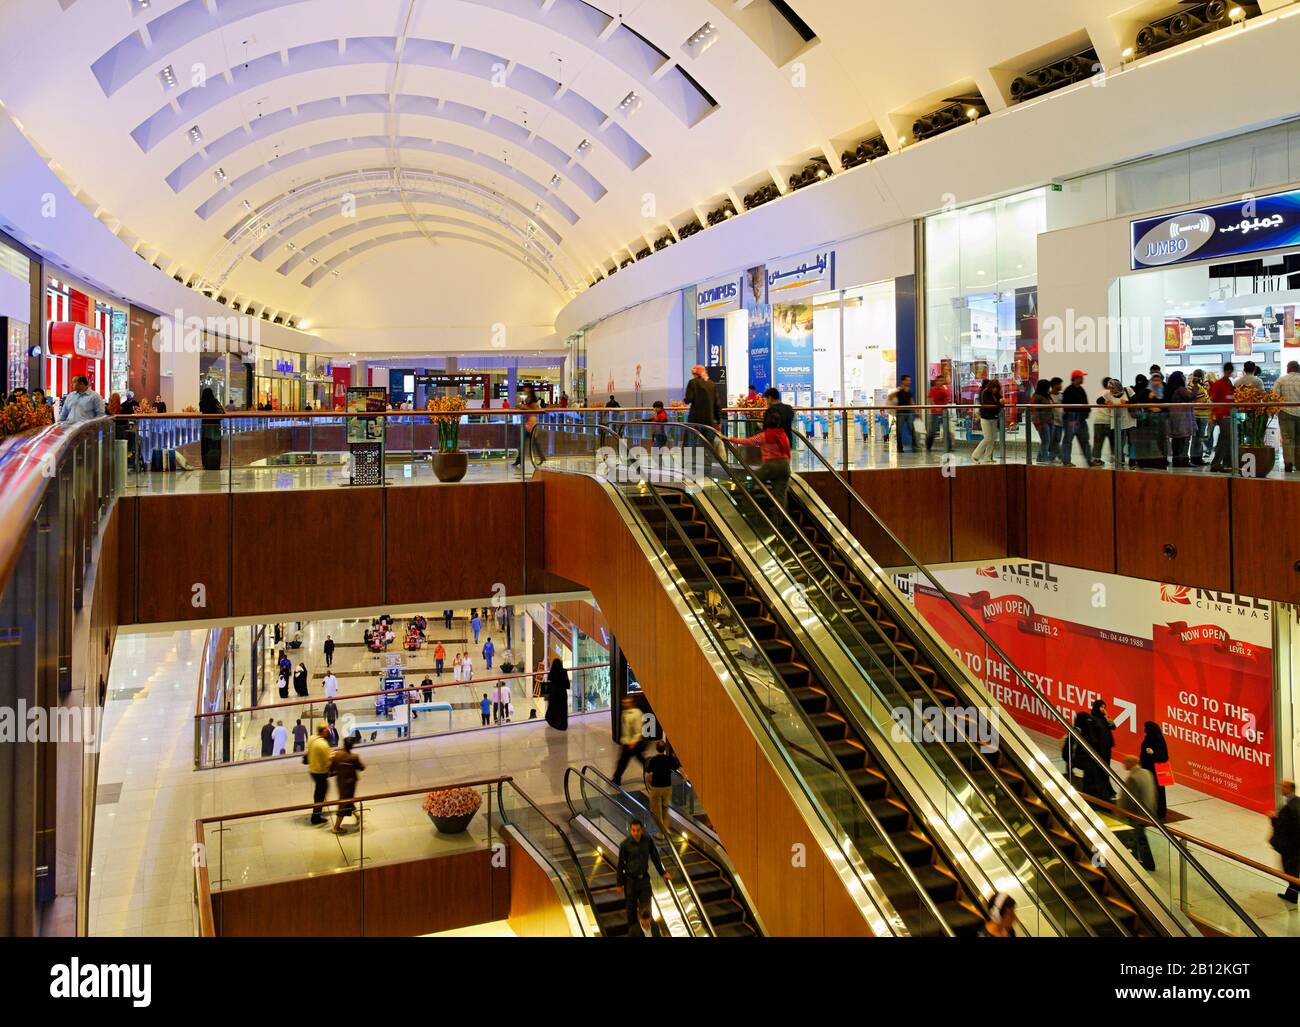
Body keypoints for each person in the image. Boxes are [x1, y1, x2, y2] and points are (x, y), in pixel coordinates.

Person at [724, 407, 792, 508]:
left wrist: (729, 438)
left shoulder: (764, 436)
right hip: (785, 466)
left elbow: (747, 441)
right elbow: (788, 450)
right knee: (780, 497)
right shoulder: (783, 435)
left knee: (752, 481)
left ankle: (746, 506)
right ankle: (778, 521)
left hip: (770, 466)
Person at [616, 818, 668, 937]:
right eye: (633, 830)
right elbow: (620, 864)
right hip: (630, 882)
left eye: (638, 830)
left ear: (642, 830)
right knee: (631, 911)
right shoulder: (625, 845)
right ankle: (634, 934)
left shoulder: (648, 840)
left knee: (647, 909)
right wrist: (619, 883)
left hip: (644, 880)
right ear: (630, 830)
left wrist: (663, 872)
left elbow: (655, 857)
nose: (636, 833)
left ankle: (650, 933)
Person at [1119, 755, 1157, 871]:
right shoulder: (1147, 773)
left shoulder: (1133, 778)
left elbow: (1130, 800)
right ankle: (1148, 863)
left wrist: (1123, 814)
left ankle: (1136, 864)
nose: (1123, 765)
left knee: (1134, 839)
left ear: (1130, 763)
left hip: (1136, 815)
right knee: (1141, 838)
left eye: (1125, 763)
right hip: (1148, 812)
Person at [1270, 780, 1300, 903]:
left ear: (1289, 789)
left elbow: (1283, 827)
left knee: (1290, 871)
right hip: (1295, 845)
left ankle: (1293, 894)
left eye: (1283, 786)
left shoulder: (1290, 807)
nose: (1280, 787)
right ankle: (1291, 894)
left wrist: (1273, 819)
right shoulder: (1297, 801)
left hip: (1291, 846)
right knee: (1292, 871)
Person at [329, 736, 365, 834]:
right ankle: (336, 827)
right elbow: (361, 767)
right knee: (344, 803)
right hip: (350, 783)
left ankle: (357, 817)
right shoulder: (354, 757)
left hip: (341, 782)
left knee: (347, 801)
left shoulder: (337, 755)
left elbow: (331, 769)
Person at [613, 696, 649, 785]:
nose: (624, 704)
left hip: (633, 743)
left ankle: (616, 779)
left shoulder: (637, 714)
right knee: (640, 759)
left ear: (632, 703)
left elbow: (638, 730)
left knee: (623, 761)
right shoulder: (625, 712)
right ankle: (652, 771)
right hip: (628, 742)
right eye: (624, 703)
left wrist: (633, 742)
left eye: (627, 703)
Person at [645, 741, 680, 830]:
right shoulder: (669, 759)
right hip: (667, 788)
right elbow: (679, 768)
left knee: (656, 811)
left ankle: (661, 832)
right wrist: (686, 777)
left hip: (656, 788)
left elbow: (647, 775)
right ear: (664, 749)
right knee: (665, 809)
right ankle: (666, 827)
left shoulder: (653, 760)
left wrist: (650, 782)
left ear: (656, 749)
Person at [1059, 370, 1092, 467]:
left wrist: (1086, 413)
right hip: (1072, 419)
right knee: (1068, 440)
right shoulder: (1069, 390)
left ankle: (1089, 459)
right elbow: (1067, 406)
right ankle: (1066, 461)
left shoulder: (1080, 389)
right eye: (1081, 377)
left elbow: (1085, 403)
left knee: (1085, 440)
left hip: (1080, 419)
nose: (1083, 379)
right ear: (1076, 378)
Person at [1208, 362, 1236, 473]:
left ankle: (1226, 464)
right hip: (1222, 415)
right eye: (1228, 371)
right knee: (1224, 439)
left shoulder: (1229, 383)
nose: (1229, 373)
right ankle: (1216, 464)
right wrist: (1211, 417)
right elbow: (1212, 401)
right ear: (1225, 371)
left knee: (1227, 440)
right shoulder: (1218, 384)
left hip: (1230, 415)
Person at [1139, 721, 1169, 820]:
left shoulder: (1158, 741)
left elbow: (1164, 757)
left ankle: (1159, 812)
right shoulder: (1148, 738)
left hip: (1156, 771)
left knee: (1158, 792)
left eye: (1145, 727)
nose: (1144, 729)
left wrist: (1153, 752)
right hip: (1148, 769)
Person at [1086, 699, 1116, 800]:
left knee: (1106, 770)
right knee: (1100, 770)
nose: (1103, 709)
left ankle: (1107, 789)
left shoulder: (1104, 718)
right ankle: (1102, 791)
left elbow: (1113, 727)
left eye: (1104, 707)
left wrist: (1107, 716)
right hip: (1099, 750)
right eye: (1101, 707)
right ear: (1096, 707)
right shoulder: (1092, 719)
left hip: (1107, 749)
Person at [1166, 370, 1195, 468]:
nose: (1185, 378)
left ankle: (1176, 460)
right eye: (1183, 376)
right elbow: (1191, 397)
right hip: (1183, 417)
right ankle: (1183, 461)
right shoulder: (1181, 389)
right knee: (1185, 439)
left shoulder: (1170, 389)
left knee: (1176, 440)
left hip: (1174, 417)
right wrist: (1195, 386)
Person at [1276, 360, 1300, 472]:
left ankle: (1288, 463)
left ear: (1288, 368)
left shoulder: (1281, 380)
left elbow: (1274, 396)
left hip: (1285, 413)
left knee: (1287, 439)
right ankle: (1299, 464)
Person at [970, 379, 1002, 464]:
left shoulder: (997, 394)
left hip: (994, 417)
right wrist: (999, 403)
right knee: (987, 438)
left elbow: (1000, 404)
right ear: (990, 386)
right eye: (994, 387)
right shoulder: (985, 393)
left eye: (997, 387)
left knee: (992, 439)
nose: (995, 389)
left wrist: (1000, 402)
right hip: (985, 418)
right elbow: (986, 404)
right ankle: (975, 456)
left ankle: (988, 457)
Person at [306, 726, 333, 825]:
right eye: (327, 730)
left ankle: (316, 813)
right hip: (320, 772)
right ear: (323, 731)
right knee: (320, 794)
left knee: (319, 792)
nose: (328, 731)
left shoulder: (312, 738)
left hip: (312, 770)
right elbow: (328, 760)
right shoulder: (323, 744)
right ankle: (316, 817)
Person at [684, 364, 718, 440]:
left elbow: (688, 399)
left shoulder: (692, 382)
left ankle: (698, 452)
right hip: (709, 421)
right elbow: (717, 404)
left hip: (695, 420)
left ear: (695, 374)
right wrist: (718, 420)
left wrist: (685, 400)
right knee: (708, 444)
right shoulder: (711, 384)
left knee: (694, 443)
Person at [889, 375, 919, 452]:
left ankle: (915, 445)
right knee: (899, 431)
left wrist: (915, 410)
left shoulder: (909, 390)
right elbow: (890, 397)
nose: (908, 382)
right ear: (903, 381)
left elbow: (911, 401)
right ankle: (899, 447)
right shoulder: (899, 390)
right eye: (907, 380)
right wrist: (898, 390)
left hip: (908, 412)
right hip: (900, 412)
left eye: (909, 380)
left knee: (912, 429)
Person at [1189, 368, 1212, 466]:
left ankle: (1196, 457)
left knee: (1196, 438)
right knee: (1198, 438)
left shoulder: (1190, 385)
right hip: (1200, 415)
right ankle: (1196, 458)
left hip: (1195, 415)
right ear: (1201, 377)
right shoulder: (1198, 387)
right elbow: (1204, 401)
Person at [198, 386, 223, 470]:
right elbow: (222, 412)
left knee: (206, 445)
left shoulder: (201, 402)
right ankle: (215, 464)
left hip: (205, 427)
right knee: (215, 445)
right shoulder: (215, 401)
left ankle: (206, 464)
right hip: (215, 427)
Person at [1030, 379, 1055, 463]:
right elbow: (1034, 410)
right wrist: (1038, 423)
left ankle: (1039, 458)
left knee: (1046, 440)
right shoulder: (1037, 397)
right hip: (1042, 422)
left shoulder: (1047, 396)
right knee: (1046, 440)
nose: (1049, 388)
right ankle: (1045, 459)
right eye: (1048, 386)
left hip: (1050, 421)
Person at [925, 372, 952, 452]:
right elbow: (931, 400)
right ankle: (928, 446)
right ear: (936, 381)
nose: (940, 382)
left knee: (947, 430)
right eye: (939, 380)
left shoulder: (945, 389)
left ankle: (948, 447)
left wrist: (943, 408)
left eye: (942, 380)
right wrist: (936, 408)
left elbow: (947, 399)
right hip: (935, 413)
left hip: (944, 412)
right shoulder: (933, 389)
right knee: (932, 430)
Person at [545, 658, 569, 731]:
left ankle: (554, 722)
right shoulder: (564, 672)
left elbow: (549, 680)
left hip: (554, 693)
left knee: (554, 708)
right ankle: (563, 724)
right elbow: (567, 684)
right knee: (563, 709)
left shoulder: (552, 673)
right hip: (563, 694)